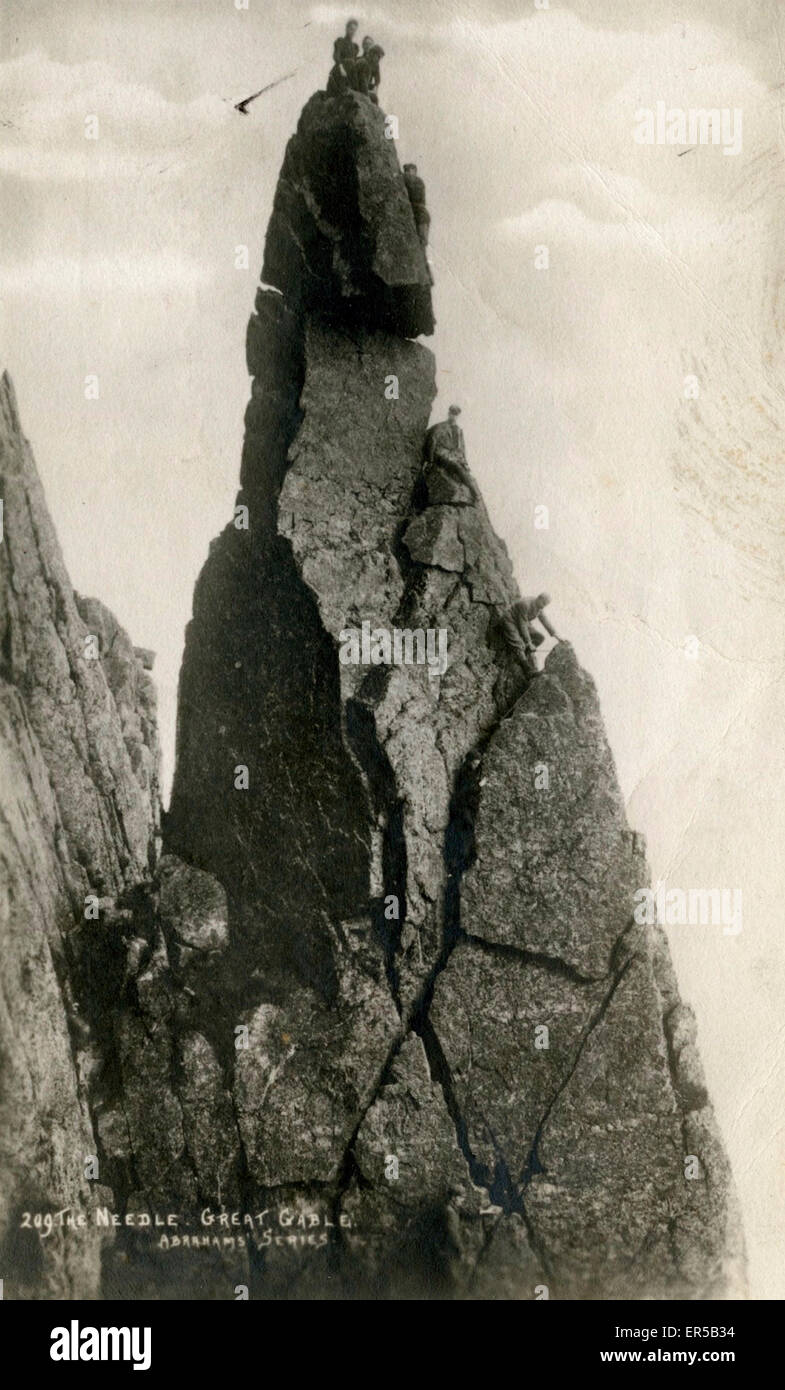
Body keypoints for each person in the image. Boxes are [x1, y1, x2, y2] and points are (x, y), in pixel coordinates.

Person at [423, 405, 479, 501]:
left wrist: (464, 461)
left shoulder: (459, 430)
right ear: (449, 414)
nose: (454, 416)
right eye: (452, 414)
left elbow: (462, 448)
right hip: (441, 453)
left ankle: (471, 491)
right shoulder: (440, 427)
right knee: (457, 467)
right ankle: (474, 492)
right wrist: (430, 460)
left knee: (465, 469)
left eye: (456, 414)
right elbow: (432, 442)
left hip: (454, 455)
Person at [498, 595, 559, 676]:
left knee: (539, 637)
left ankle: (521, 655)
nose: (543, 607)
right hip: (510, 620)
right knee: (519, 644)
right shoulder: (525, 604)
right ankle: (527, 670)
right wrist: (529, 642)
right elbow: (522, 625)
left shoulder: (539, 607)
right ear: (539, 598)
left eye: (545, 605)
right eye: (543, 603)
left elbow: (544, 620)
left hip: (521, 622)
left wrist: (556, 635)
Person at [327, 18, 359, 95]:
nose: (352, 32)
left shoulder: (355, 47)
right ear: (346, 29)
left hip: (351, 73)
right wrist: (341, 68)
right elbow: (336, 56)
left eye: (354, 30)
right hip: (340, 71)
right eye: (351, 29)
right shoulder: (340, 41)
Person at [403, 163, 431, 249]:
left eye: (408, 170)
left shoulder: (414, 180)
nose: (407, 172)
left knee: (421, 241)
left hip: (420, 214)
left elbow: (407, 178)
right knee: (421, 242)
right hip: (422, 214)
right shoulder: (419, 181)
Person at [355, 37, 384, 103]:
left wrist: (375, 89)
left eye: (370, 44)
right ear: (363, 45)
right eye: (366, 44)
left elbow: (377, 80)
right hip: (359, 86)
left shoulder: (375, 63)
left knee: (374, 98)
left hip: (366, 85)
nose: (368, 46)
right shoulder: (359, 60)